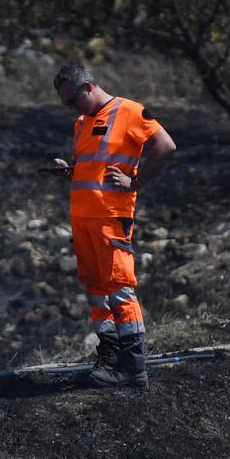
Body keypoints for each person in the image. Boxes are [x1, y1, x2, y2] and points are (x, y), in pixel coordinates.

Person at [51, 64, 176, 388]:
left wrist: (136, 181)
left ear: (88, 87)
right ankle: (109, 358)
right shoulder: (82, 123)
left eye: (72, 101)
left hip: (110, 218)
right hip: (83, 219)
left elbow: (165, 146)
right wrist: (71, 172)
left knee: (119, 288)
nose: (70, 108)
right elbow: (92, 168)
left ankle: (133, 369)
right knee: (95, 288)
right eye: (65, 104)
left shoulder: (130, 111)